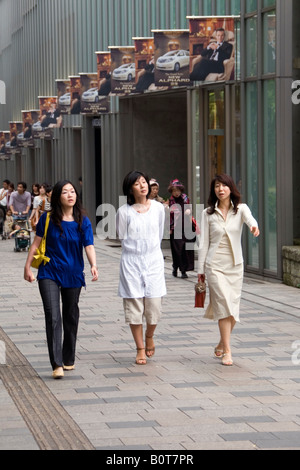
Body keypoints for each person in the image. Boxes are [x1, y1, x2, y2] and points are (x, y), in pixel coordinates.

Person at [24, 180, 98, 379]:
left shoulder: (83, 220)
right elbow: (35, 244)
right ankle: (56, 363)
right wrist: (27, 267)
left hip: (73, 273)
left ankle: (68, 357)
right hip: (49, 271)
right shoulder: (47, 219)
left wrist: (93, 264)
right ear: (57, 197)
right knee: (53, 315)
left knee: (70, 315)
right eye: (65, 192)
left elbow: (89, 245)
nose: (70, 195)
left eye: (72, 191)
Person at [198, 174, 260, 366]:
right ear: (214, 190)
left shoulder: (240, 209)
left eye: (224, 185)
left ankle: (221, 342)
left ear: (231, 188)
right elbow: (203, 244)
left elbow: (250, 219)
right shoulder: (207, 213)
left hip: (235, 266)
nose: (221, 189)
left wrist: (254, 227)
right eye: (217, 186)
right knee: (224, 305)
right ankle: (227, 350)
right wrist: (200, 272)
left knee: (232, 309)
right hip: (214, 266)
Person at [116, 171, 166, 365]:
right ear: (130, 189)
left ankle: (150, 335)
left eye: (144, 182)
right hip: (131, 261)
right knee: (134, 307)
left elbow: (160, 232)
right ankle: (139, 348)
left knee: (154, 306)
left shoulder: (158, 209)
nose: (143, 186)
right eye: (137, 184)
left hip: (153, 260)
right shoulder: (124, 212)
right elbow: (122, 236)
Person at [168, 179, 194, 278]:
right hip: (175, 229)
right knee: (177, 250)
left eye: (178, 190)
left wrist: (188, 210)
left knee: (186, 248)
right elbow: (169, 216)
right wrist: (170, 228)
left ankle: (184, 270)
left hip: (186, 227)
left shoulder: (185, 198)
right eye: (174, 191)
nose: (176, 193)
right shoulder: (170, 201)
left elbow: (189, 208)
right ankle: (175, 267)